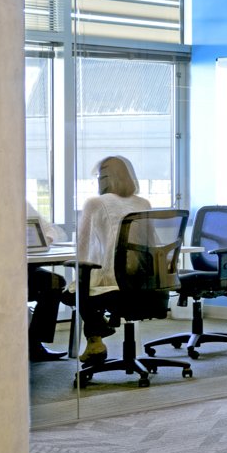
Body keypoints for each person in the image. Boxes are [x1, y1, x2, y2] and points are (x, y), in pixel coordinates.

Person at [75, 154, 152, 363]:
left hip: (114, 282)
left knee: (76, 288)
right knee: (85, 285)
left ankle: (96, 336)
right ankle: (96, 338)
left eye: (100, 177)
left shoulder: (95, 203)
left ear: (105, 179)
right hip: (145, 281)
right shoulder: (144, 203)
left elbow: (82, 249)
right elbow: (154, 244)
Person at [26, 202, 68, 362]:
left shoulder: (21, 202)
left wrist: (46, 238)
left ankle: (34, 343)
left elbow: (51, 229)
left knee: (54, 282)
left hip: (25, 269)